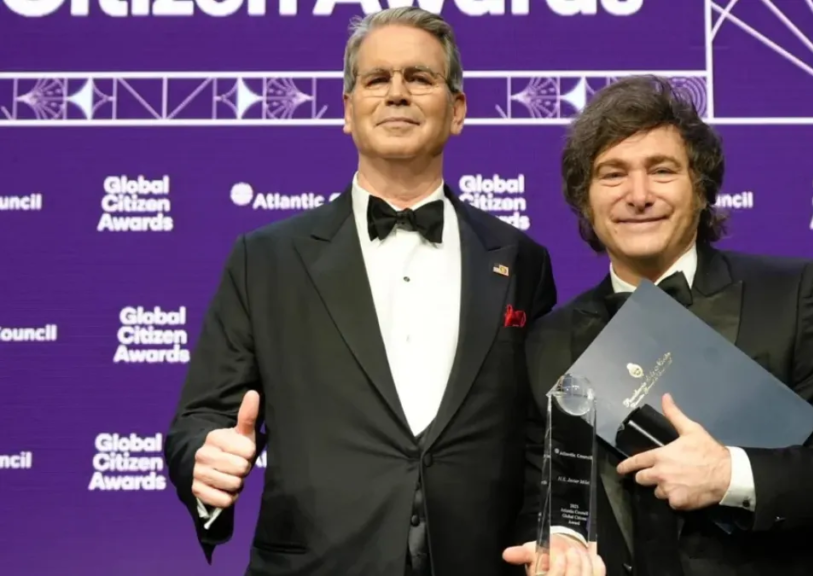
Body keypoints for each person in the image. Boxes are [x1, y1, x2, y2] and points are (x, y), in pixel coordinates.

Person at [164, 7, 557, 576]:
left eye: (419, 78)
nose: (397, 93)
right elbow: (201, 417)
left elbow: (537, 437)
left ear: (458, 110)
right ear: (348, 111)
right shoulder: (266, 259)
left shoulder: (522, 261)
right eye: (377, 79)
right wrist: (206, 460)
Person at [503, 75, 813, 576]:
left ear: (702, 189)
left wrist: (729, 475)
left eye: (661, 170)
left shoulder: (794, 297)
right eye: (612, 174)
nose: (638, 195)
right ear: (585, 201)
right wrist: (557, 544)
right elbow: (540, 500)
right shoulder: (548, 342)